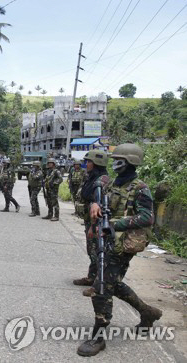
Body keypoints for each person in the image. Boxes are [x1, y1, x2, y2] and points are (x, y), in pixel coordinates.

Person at [77, 144, 162, 357]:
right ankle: (147, 312)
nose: (114, 163)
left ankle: (98, 335)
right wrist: (94, 206)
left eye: (119, 160)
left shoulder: (140, 188)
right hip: (107, 240)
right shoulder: (113, 182)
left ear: (130, 162)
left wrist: (115, 223)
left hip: (123, 244)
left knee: (102, 286)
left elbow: (147, 217)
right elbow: (100, 197)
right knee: (112, 283)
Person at [73, 150, 110, 291]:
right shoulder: (92, 178)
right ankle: (92, 277)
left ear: (96, 164)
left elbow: (99, 205)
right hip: (90, 220)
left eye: (88, 162)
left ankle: (98, 284)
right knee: (92, 250)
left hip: (97, 222)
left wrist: (93, 226)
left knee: (98, 252)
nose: (86, 164)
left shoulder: (102, 181)